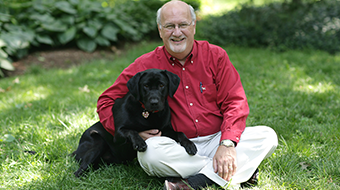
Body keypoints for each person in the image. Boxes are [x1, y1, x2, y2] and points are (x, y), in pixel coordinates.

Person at [97, 0, 278, 189]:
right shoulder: (145, 65)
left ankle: (194, 182)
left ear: (193, 27)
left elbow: (235, 101)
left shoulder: (216, 56)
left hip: (217, 137)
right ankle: (235, 171)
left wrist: (226, 144)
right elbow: (106, 101)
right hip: (175, 144)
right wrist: (131, 133)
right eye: (169, 26)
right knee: (150, 155)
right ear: (160, 30)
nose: (177, 32)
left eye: (182, 25)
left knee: (267, 136)